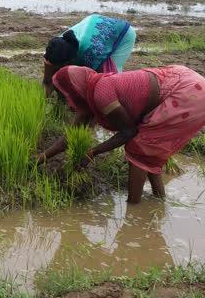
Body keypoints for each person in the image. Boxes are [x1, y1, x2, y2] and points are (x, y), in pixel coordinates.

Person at [38, 65, 205, 203]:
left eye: (67, 94)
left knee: (139, 148)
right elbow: (70, 136)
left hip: (187, 94)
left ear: (75, 88)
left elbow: (128, 132)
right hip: (185, 81)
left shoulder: (101, 94)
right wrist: (40, 159)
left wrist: (92, 153)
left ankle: (133, 209)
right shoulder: (92, 89)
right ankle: (159, 201)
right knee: (149, 152)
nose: (67, 100)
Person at [43, 14, 136, 94]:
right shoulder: (56, 45)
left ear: (70, 60)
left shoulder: (91, 53)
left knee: (108, 78)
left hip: (123, 34)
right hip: (93, 26)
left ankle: (120, 96)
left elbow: (87, 82)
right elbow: (48, 78)